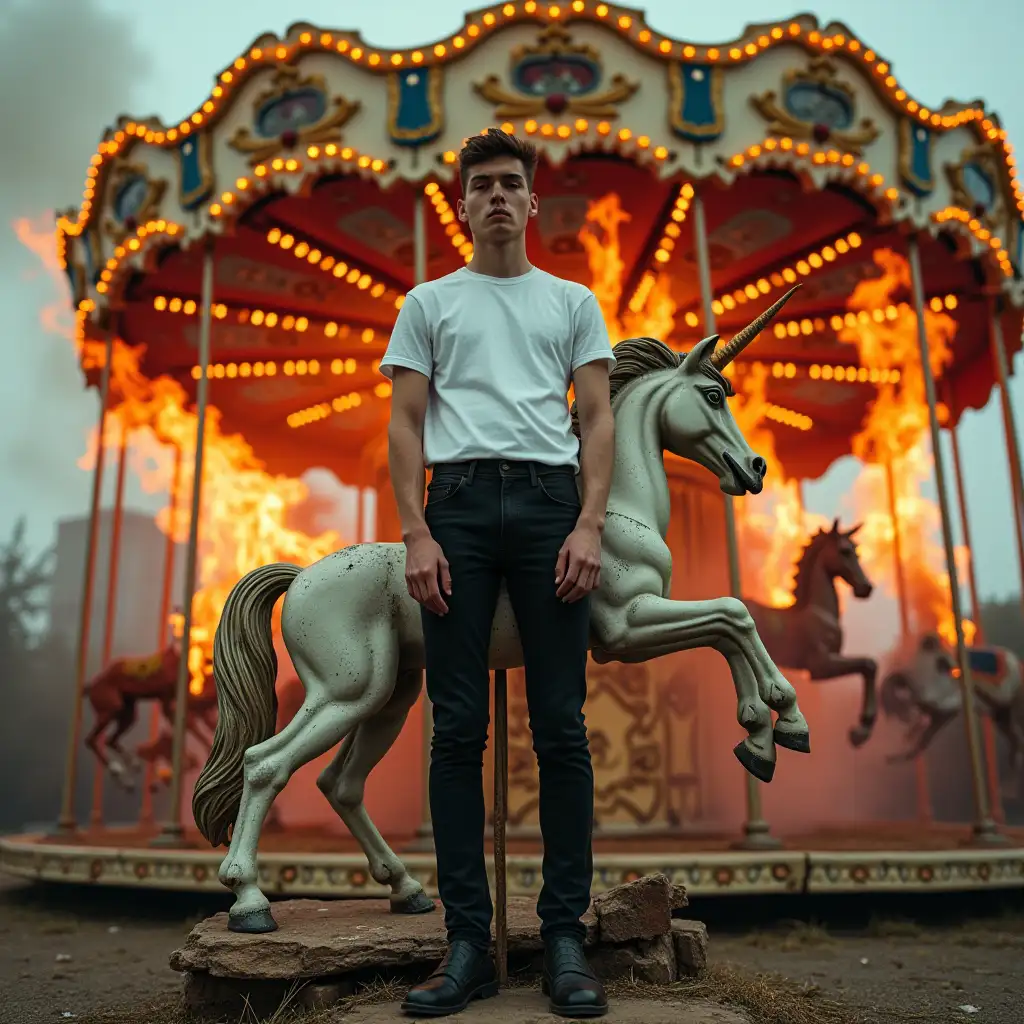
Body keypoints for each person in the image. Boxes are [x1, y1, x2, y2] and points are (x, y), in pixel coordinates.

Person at [380, 128, 616, 1019]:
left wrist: (590, 522)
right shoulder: (428, 302)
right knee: (454, 731)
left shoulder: (573, 301)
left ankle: (564, 937)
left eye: (512, 184)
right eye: (481, 185)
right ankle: (468, 943)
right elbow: (404, 424)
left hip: (553, 503)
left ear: (532, 203)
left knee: (561, 726)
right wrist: (416, 531)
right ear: (464, 203)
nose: (498, 197)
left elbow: (597, 420)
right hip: (462, 506)